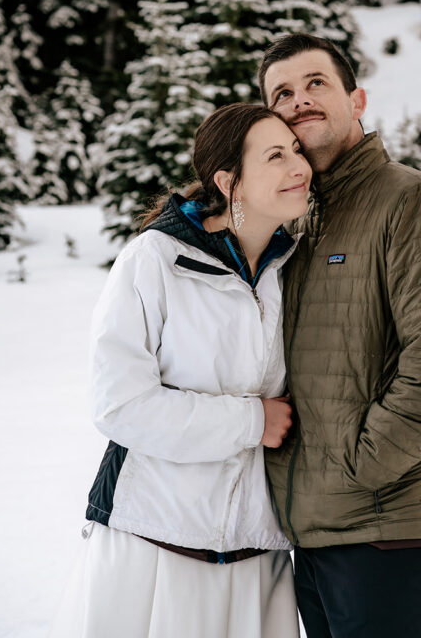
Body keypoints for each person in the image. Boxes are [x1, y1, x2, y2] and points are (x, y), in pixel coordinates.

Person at [49, 103, 312, 638]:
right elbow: (120, 405)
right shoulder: (155, 260)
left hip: (256, 556)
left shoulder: (295, 268)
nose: (299, 166)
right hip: (156, 549)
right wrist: (249, 422)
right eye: (276, 155)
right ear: (228, 181)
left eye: (298, 151)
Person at [259, 34, 421, 638]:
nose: (299, 100)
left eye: (315, 84)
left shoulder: (411, 201)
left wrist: (359, 468)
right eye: (282, 93)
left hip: (390, 526)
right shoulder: (293, 225)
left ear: (357, 100)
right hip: (315, 527)